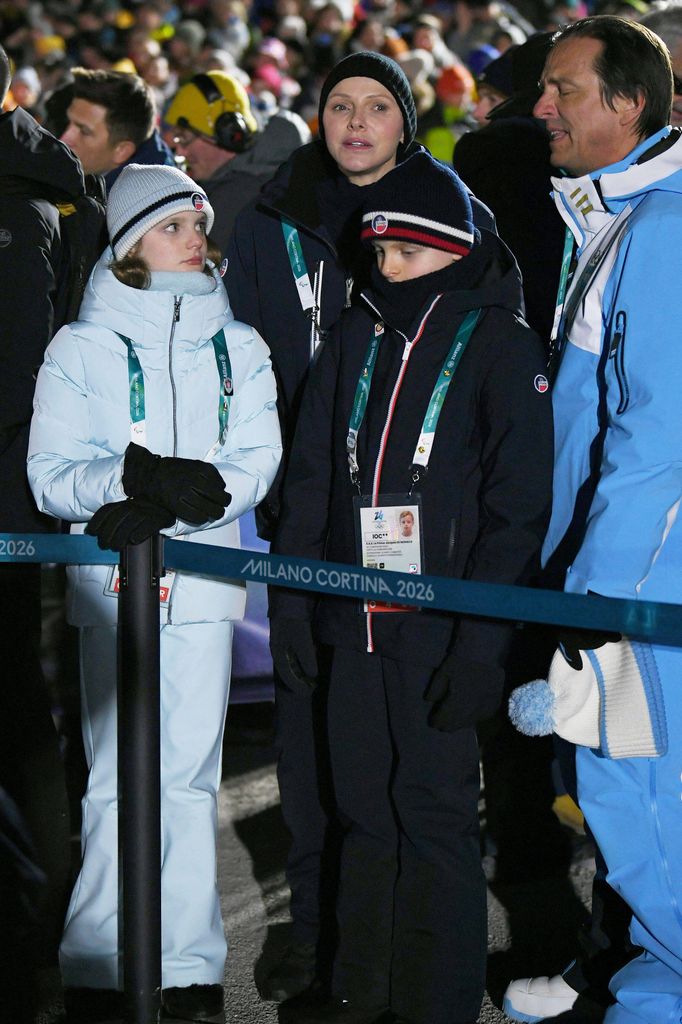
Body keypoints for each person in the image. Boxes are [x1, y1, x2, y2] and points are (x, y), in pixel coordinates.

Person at [225, 51, 496, 1004]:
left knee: (415, 774)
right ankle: (325, 942)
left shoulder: (457, 211)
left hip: (427, 530)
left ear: (406, 120)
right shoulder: (274, 215)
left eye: (376, 106)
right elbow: (251, 359)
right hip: (310, 512)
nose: (354, 122)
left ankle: (425, 968)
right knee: (315, 758)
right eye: (338, 104)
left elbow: (490, 377)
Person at [270, 150, 553, 1024]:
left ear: (452, 252)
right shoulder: (357, 335)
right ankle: (362, 990)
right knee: (360, 809)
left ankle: (433, 1002)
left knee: (431, 818)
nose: (383, 269)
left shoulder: (501, 344)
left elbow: (516, 511)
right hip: (353, 619)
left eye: (404, 255)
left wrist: (482, 645)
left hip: (442, 628)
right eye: (378, 254)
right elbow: (315, 476)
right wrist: (297, 607)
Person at [26, 163, 281, 1024]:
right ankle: (101, 966)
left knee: (187, 782)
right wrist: (128, 481)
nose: (196, 236)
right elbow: (50, 473)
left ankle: (187, 967)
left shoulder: (238, 344)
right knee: (111, 783)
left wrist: (200, 488)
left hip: (205, 590)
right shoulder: (80, 346)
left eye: (199, 222)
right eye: (176, 224)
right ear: (134, 240)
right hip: (111, 590)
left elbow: (256, 455)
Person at [502, 16, 682, 1024]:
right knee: (624, 804)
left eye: (562, 90)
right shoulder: (621, 214)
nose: (541, 107)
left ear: (630, 106)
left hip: (643, 596)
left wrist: (599, 598)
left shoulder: (664, 224)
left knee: (642, 805)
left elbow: (658, 438)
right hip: (623, 586)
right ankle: (647, 982)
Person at [0, 40, 105, 1004]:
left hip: (10, 505)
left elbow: (18, 377)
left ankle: (38, 927)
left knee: (18, 713)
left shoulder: (24, 207)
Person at [165, 70, 311, 251]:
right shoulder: (264, 173)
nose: (180, 151)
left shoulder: (233, 203)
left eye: (185, 139)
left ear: (227, 135)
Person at [59, 68, 175, 188]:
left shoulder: (151, 199)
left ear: (121, 151)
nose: (63, 139)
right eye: (68, 122)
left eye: (84, 131)